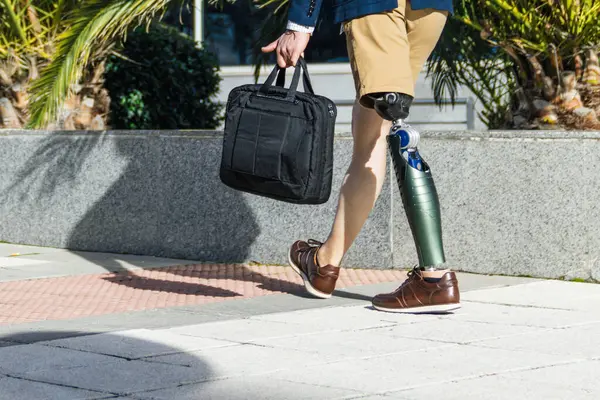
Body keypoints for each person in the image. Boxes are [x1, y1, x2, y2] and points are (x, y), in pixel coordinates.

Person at [262, 0, 460, 313]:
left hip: (375, 5)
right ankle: (325, 264)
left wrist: (300, 24)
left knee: (390, 114)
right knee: (372, 130)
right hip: (429, 7)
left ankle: (434, 277)